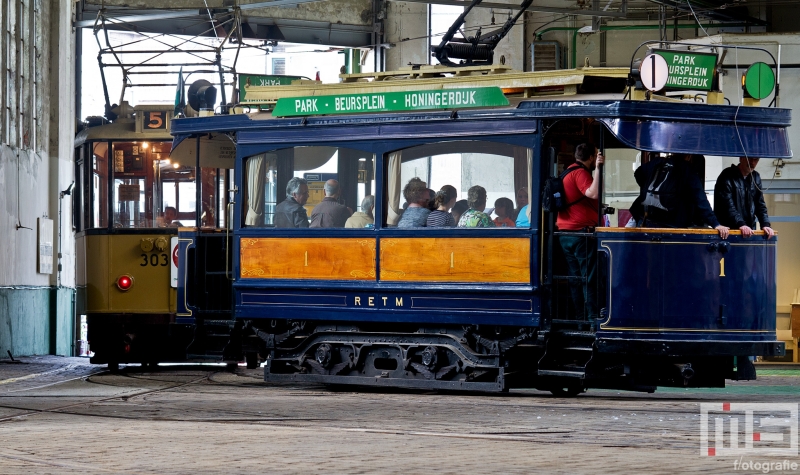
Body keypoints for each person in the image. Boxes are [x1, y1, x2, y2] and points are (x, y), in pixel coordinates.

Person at [557, 143, 604, 322]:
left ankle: (580, 320)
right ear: (591, 157)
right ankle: (592, 320)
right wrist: (599, 168)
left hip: (566, 234)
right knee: (588, 277)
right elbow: (592, 193)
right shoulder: (580, 173)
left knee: (576, 279)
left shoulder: (567, 171)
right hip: (580, 235)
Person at [631, 154, 729, 238]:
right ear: (689, 156)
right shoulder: (688, 170)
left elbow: (638, 173)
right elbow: (700, 199)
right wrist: (715, 224)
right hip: (671, 226)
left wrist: (646, 187)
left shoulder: (657, 162)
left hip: (646, 220)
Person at [714, 156, 775, 239]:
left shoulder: (756, 177)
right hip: (728, 232)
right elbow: (727, 205)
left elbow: (760, 204)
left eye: (756, 160)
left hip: (748, 230)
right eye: (749, 159)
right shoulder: (727, 175)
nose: (752, 163)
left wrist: (765, 224)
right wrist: (741, 224)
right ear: (741, 158)